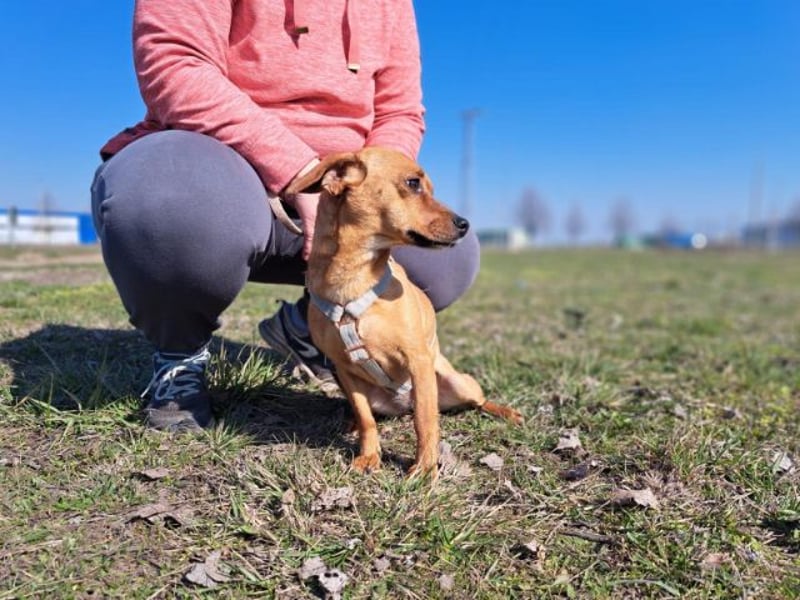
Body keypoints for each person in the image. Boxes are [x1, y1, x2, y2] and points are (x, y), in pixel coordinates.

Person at [91, 0, 480, 432]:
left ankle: (313, 326)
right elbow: (175, 64)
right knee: (168, 208)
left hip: (343, 190)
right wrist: (302, 172)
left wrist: (367, 195)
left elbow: (398, 110)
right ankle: (178, 357)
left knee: (445, 261)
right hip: (219, 163)